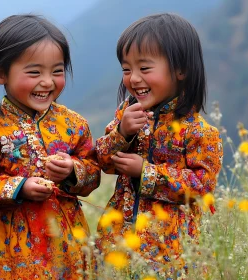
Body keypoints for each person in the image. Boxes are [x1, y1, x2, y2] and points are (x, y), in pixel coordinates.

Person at [0, 14, 101, 279]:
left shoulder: (74, 123)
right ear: (0, 74)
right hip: (10, 244)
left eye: (57, 71)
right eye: (34, 72)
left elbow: (94, 173)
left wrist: (72, 171)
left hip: (67, 237)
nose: (48, 82)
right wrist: (20, 187)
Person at [95, 13, 223, 278]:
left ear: (181, 70)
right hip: (118, 240)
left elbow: (203, 187)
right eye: (126, 69)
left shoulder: (199, 132)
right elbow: (103, 161)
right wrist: (122, 132)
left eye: (144, 68)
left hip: (170, 251)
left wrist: (146, 172)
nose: (133, 78)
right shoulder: (127, 114)